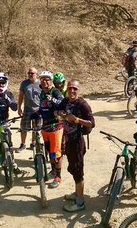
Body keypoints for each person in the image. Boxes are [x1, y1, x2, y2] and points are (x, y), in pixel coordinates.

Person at [54, 80, 94, 212]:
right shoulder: (65, 101)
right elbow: (57, 110)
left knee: (78, 171)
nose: (72, 91)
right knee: (72, 168)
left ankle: (80, 203)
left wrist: (76, 120)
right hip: (68, 140)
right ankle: (77, 194)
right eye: (70, 88)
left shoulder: (82, 104)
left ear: (78, 90)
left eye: (75, 89)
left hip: (77, 142)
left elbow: (91, 123)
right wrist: (61, 114)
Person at [32, 71, 65, 189]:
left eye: (47, 80)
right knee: (49, 151)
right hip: (45, 126)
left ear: (51, 82)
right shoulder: (41, 94)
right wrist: (37, 113)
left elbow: (63, 103)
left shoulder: (55, 92)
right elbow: (43, 107)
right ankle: (53, 170)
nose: (45, 82)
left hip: (56, 125)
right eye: (43, 80)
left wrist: (52, 99)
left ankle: (58, 176)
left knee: (56, 153)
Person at [17, 67, 41, 152]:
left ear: (36, 74)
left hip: (38, 109)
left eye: (32, 73)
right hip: (27, 109)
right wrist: (19, 107)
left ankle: (33, 143)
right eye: (29, 73)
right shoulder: (24, 83)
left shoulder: (41, 84)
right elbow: (21, 95)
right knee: (24, 127)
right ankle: (23, 144)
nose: (30, 75)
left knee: (36, 128)